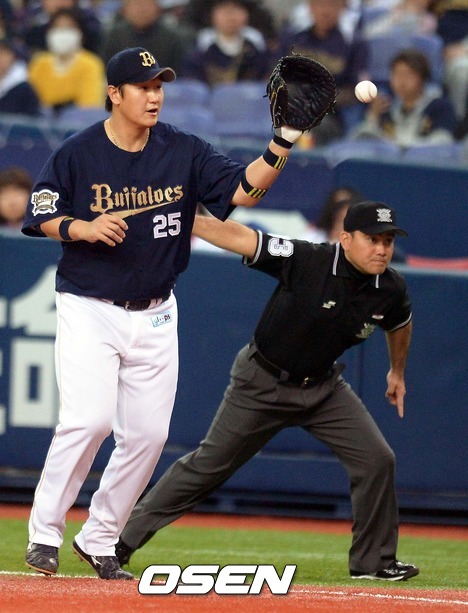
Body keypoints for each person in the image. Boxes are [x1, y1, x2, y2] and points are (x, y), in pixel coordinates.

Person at [22, 46, 303, 580]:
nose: (154, 96)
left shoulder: (183, 149)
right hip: (90, 305)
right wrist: (81, 227)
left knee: (149, 437)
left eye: (159, 86)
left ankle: (100, 538)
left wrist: (282, 141)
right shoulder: (79, 151)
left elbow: (243, 192)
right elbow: (40, 212)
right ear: (114, 93)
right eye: (143, 86)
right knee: (88, 420)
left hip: (156, 310)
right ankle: (44, 533)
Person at [115, 201, 419, 583]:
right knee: (207, 468)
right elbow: (243, 238)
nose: (382, 249)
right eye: (372, 239)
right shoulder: (309, 260)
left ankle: (373, 563)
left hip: (323, 388)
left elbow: (400, 323)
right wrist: (185, 218)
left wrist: (397, 371)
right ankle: (118, 542)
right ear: (345, 239)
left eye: (388, 241)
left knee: (377, 459)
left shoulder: (389, 287)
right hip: (263, 381)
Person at [280, 0, 369, 144]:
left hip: (328, 116)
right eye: (320, 4)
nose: (325, 11)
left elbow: (355, 91)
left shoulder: (353, 44)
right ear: (310, 7)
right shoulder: (294, 37)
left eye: (332, 5)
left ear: (342, 8)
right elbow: (275, 76)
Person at [351, 48, 458, 146]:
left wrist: (405, 147)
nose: (402, 81)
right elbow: (363, 139)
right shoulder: (386, 106)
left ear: (422, 78)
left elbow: (443, 141)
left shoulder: (440, 107)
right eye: (396, 74)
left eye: (408, 75)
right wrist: (372, 117)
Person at [27, 8, 106, 114]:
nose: (62, 33)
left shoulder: (91, 64)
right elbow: (30, 101)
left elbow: (89, 105)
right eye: (57, 28)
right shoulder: (39, 63)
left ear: (81, 34)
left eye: (68, 28)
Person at [179, 0, 272, 87]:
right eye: (224, 10)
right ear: (211, 14)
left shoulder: (256, 49)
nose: (231, 17)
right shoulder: (201, 50)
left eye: (237, 9)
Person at [100, 0, 192, 73]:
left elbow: (179, 74)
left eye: (147, 4)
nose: (142, 10)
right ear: (124, 10)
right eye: (136, 4)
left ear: (158, 8)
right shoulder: (113, 36)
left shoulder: (173, 38)